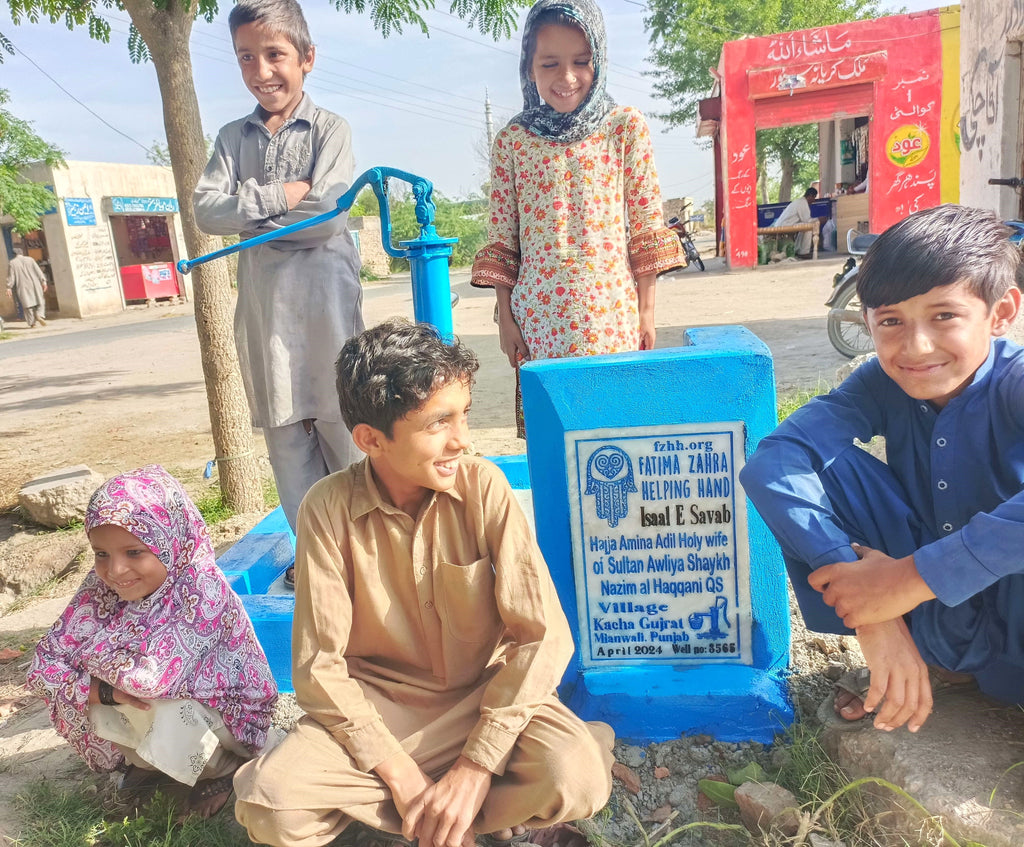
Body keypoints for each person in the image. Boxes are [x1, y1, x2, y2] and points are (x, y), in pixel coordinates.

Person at [233, 318, 614, 847]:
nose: (462, 440)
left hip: (484, 700)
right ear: (371, 439)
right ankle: (459, 818)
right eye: (439, 423)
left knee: (575, 775)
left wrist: (477, 766)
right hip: (380, 709)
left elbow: (542, 635)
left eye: (464, 415)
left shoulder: (484, 487)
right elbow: (319, 666)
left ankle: (450, 810)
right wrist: (402, 775)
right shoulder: (327, 507)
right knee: (271, 805)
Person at [739, 204, 1024, 734]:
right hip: (942, 623)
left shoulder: (1015, 382)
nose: (916, 347)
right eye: (891, 321)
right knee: (814, 473)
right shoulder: (880, 382)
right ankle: (926, 653)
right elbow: (775, 462)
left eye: (944, 316)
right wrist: (872, 607)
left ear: (1001, 312)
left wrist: (909, 578)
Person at [193, 0, 364, 573]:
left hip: (327, 313)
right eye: (247, 57)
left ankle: (366, 549)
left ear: (307, 58)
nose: (262, 70)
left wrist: (254, 227)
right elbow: (205, 210)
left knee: (346, 425)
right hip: (267, 319)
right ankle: (316, 556)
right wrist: (279, 196)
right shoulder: (230, 138)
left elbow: (329, 219)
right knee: (287, 434)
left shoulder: (331, 129)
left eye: (275, 55)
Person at [471, 0, 684, 437]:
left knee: (614, 439)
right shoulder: (513, 140)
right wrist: (506, 319)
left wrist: (646, 313)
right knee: (553, 441)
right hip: (537, 322)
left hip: (612, 315)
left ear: (599, 60)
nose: (566, 78)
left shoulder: (624, 126)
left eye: (581, 62)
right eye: (550, 63)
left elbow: (646, 224)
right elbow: (503, 239)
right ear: (530, 67)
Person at [26, 465, 278, 818]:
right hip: (152, 699)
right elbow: (41, 666)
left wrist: (84, 667)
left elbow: (146, 678)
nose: (115, 571)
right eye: (102, 554)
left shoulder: (200, 591)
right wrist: (101, 686)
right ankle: (149, 760)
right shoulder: (100, 590)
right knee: (102, 695)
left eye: (133, 552)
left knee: (157, 702)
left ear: (170, 541)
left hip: (230, 720)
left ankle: (221, 768)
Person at [771, 187, 819, 258]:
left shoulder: (799, 201)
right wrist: (818, 219)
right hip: (785, 225)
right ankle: (804, 252)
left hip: (784, 224)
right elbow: (807, 220)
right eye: (814, 197)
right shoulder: (802, 203)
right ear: (810, 196)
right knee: (809, 227)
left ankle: (798, 250)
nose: (814, 200)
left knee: (804, 227)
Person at [6, 247, 48, 327]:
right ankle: (39, 315)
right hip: (35, 283)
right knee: (40, 301)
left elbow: (11, 277)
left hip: (22, 286)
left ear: (14, 254)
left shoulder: (12, 263)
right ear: (22, 253)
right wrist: (43, 281)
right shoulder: (30, 259)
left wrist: (8, 287)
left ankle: (32, 324)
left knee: (27, 305)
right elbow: (38, 271)